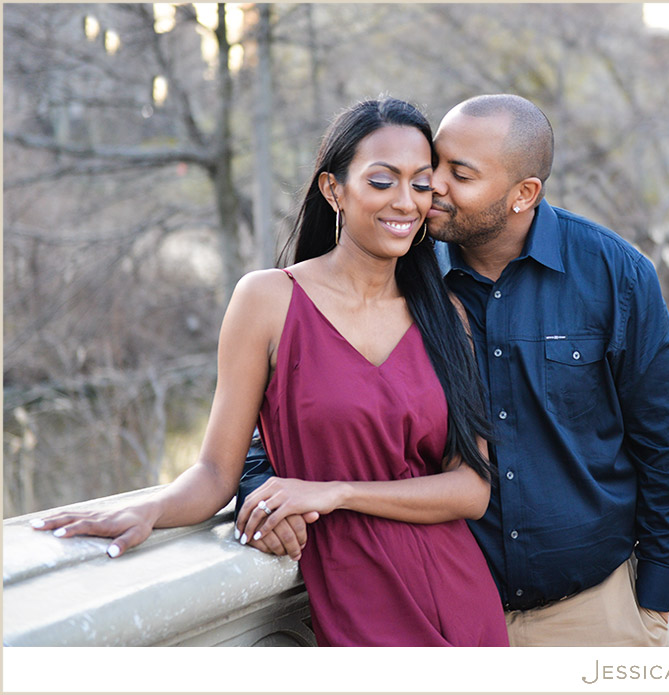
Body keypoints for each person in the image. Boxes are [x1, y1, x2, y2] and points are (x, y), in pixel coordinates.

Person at [32, 97, 509, 647]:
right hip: (359, 600)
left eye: (421, 184)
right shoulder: (267, 300)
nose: (405, 202)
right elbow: (215, 471)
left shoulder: (446, 316)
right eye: (382, 181)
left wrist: (335, 493)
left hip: (460, 598)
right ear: (334, 190)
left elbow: (470, 489)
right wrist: (150, 509)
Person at [238, 94, 669, 647]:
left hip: (590, 613)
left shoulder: (614, 275)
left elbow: (666, 450)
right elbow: (294, 401)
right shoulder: (402, 269)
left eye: (459, 174)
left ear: (522, 194)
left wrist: (651, 603)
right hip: (437, 609)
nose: (432, 188)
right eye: (436, 166)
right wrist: (260, 492)